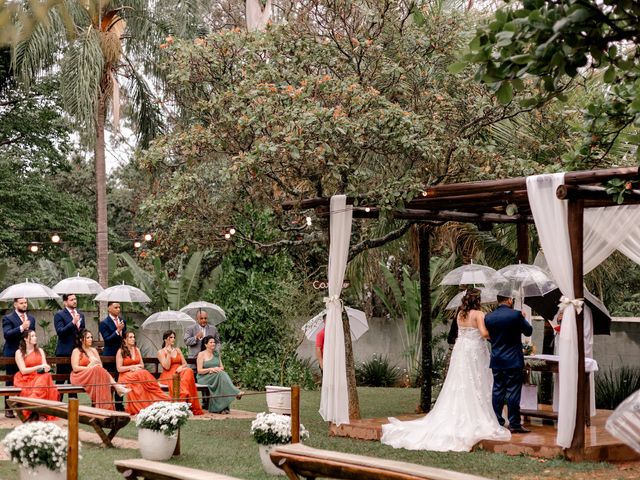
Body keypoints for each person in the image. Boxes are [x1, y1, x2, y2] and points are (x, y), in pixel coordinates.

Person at [380, 289, 511, 451]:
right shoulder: (479, 314)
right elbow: (484, 333)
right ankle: (479, 415)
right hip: (475, 350)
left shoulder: (460, 314)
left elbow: (461, 332)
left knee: (460, 381)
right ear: (478, 300)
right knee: (477, 381)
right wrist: (497, 334)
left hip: (462, 350)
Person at [484, 294, 533, 434]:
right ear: (509, 300)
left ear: (498, 300)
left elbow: (490, 338)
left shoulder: (489, 317)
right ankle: (514, 424)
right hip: (513, 360)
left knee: (497, 390)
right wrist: (522, 318)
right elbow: (529, 331)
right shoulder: (516, 315)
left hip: (497, 360)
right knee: (513, 392)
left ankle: (497, 422)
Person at [70, 329, 130, 410]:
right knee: (97, 370)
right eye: (88, 337)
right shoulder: (76, 351)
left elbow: (100, 365)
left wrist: (94, 367)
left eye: (91, 337)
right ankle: (116, 386)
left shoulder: (94, 350)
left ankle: (105, 405)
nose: (91, 339)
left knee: (99, 371)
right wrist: (89, 367)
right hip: (79, 376)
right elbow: (75, 368)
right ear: (81, 339)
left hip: (94, 375)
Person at [116, 331, 169, 415]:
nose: (133, 339)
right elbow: (119, 368)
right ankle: (141, 406)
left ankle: (155, 393)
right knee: (141, 374)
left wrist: (137, 367)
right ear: (125, 340)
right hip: (125, 375)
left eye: (133, 337)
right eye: (130, 337)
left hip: (138, 374)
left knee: (142, 373)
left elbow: (142, 364)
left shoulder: (137, 349)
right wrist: (131, 367)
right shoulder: (121, 351)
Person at [13, 330, 59, 420]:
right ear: (26, 338)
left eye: (35, 335)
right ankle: (36, 410)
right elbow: (23, 371)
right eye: (32, 336)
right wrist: (39, 366)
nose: (35, 337)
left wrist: (46, 368)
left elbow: (44, 365)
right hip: (25, 378)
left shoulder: (40, 350)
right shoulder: (19, 352)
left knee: (46, 376)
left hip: (40, 376)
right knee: (44, 380)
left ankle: (36, 408)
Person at [2, 297, 36, 418]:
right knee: (10, 380)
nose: (24, 305)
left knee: (26, 380)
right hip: (12, 353)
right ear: (15, 304)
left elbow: (33, 336)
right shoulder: (8, 318)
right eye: (21, 303)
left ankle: (25, 407)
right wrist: (22, 327)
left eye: (26, 303)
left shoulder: (31, 318)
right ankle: (8, 408)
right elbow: (7, 335)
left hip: (27, 354)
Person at [157, 330, 204, 415]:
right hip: (169, 374)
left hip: (181, 371)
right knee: (186, 372)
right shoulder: (160, 352)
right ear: (165, 339)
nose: (173, 339)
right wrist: (168, 354)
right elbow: (166, 367)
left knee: (188, 370)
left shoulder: (178, 350)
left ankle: (184, 392)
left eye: (174, 337)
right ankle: (184, 395)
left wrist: (180, 367)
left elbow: (185, 363)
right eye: (171, 337)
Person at [196, 336, 242, 414]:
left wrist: (217, 369)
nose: (213, 344)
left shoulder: (217, 354)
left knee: (222, 375)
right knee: (221, 375)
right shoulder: (201, 354)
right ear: (206, 344)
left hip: (216, 375)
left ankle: (221, 408)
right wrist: (210, 369)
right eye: (211, 342)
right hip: (204, 377)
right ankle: (236, 392)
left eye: (214, 342)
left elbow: (222, 367)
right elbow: (199, 371)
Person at [184, 310, 219, 410]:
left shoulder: (213, 329)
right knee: (194, 381)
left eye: (205, 318)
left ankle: (207, 402)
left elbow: (218, 342)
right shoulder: (190, 328)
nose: (204, 320)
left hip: (208, 359)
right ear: (197, 319)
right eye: (201, 318)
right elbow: (186, 341)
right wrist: (196, 337)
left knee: (207, 378)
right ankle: (191, 402)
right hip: (194, 359)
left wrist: (215, 350)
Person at [54, 293, 85, 398]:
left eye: (75, 299)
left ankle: (73, 408)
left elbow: (82, 332)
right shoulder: (59, 315)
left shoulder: (81, 314)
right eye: (71, 300)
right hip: (64, 352)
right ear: (65, 302)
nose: (75, 301)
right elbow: (60, 332)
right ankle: (56, 406)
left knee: (74, 380)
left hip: (77, 351)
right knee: (60, 381)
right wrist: (73, 322)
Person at [99, 301, 127, 411]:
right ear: (109, 309)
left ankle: (119, 404)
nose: (118, 309)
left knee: (120, 379)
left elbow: (124, 337)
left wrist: (122, 332)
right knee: (109, 380)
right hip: (109, 354)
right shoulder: (104, 323)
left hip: (121, 353)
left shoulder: (122, 321)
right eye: (116, 307)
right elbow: (107, 339)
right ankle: (107, 404)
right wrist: (117, 330)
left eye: (119, 307)